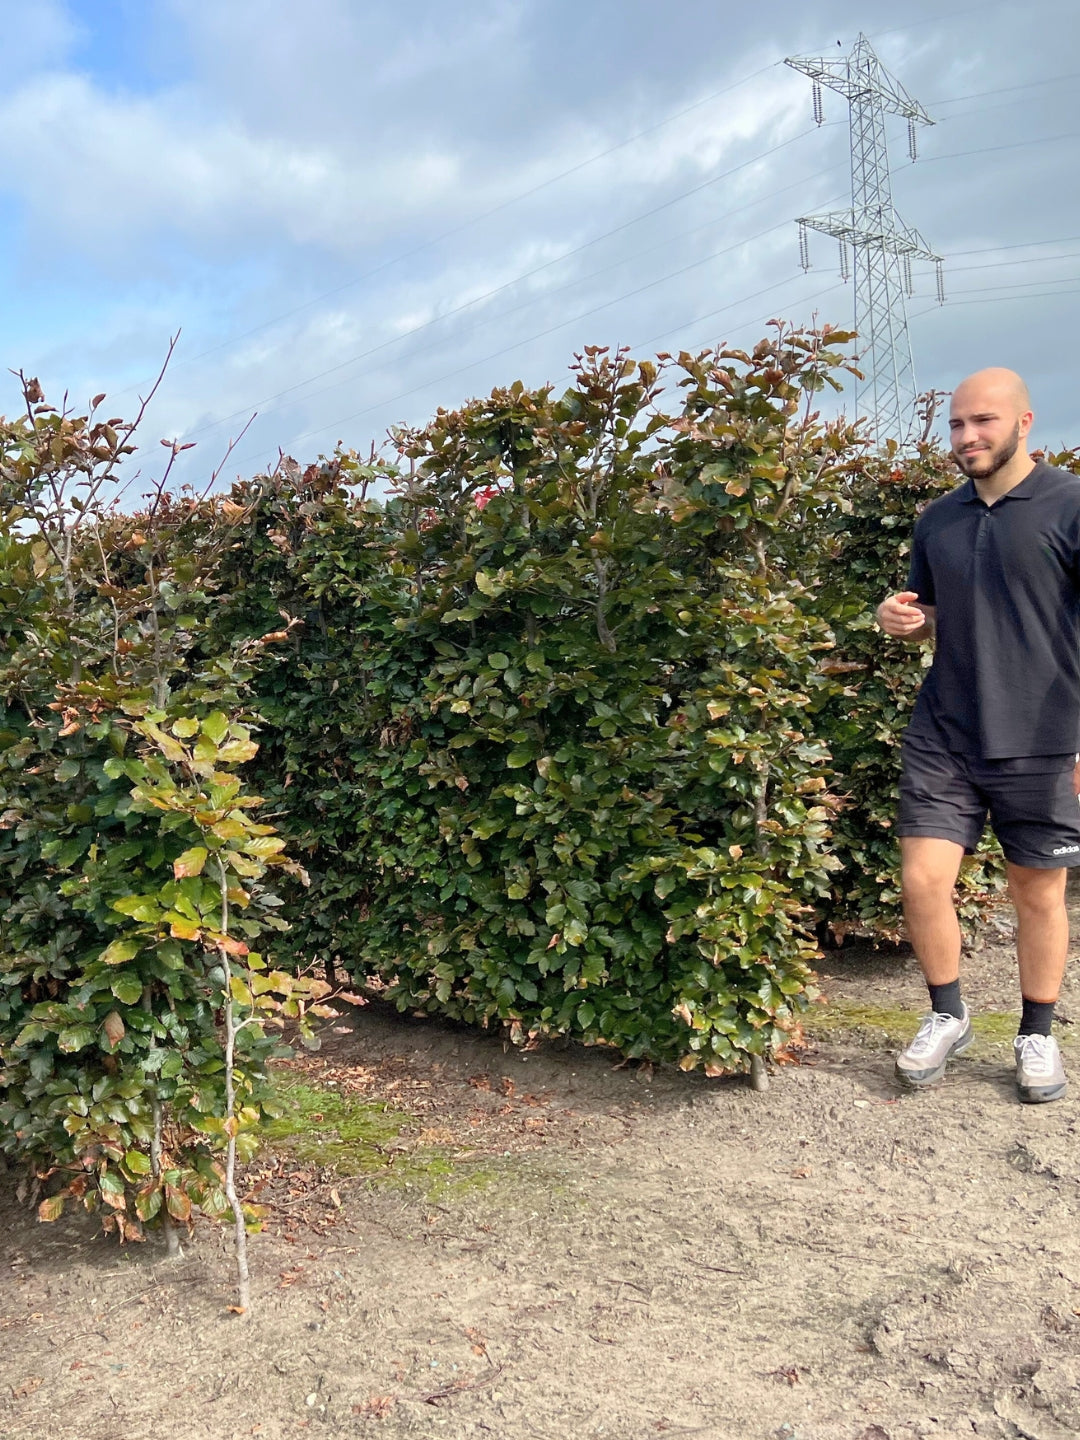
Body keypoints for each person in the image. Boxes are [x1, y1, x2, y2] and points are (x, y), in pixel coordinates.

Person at [875, 367, 1080, 1103]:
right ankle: (948, 1015)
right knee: (923, 880)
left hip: (1045, 735)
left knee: (1037, 892)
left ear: (1025, 422)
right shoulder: (938, 519)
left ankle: (1036, 1033)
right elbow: (930, 610)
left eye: (983, 422)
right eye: (958, 424)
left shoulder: (1070, 505)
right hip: (947, 730)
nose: (967, 437)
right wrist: (900, 619)